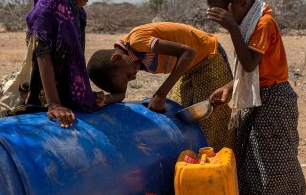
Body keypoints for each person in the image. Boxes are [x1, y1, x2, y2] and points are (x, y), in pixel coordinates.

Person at [205, 0, 306, 195]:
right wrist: (229, 88)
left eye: (225, 13)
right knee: (252, 159)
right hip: (261, 97)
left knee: (271, 163)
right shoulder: (252, 23)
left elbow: (249, 63)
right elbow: (251, 71)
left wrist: (233, 29)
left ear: (239, 3)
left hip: (274, 99)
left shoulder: (264, 23)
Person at [87, 22, 235, 151]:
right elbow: (120, 95)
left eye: (127, 76)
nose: (133, 77)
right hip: (188, 68)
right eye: (128, 81)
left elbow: (188, 52)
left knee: (209, 119)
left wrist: (160, 94)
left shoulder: (138, 41)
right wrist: (104, 100)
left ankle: (219, 167)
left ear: (117, 58)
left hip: (208, 56)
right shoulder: (126, 62)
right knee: (179, 112)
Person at [24, 0, 108, 127]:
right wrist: (53, 103)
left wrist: (84, 95)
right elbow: (42, 50)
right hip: (44, 93)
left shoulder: (76, 10)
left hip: (61, 92)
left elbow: (72, 60)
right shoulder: (51, 0)